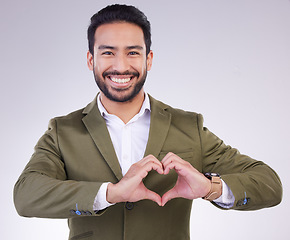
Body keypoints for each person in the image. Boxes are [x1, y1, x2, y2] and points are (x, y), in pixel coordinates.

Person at [14, 4, 282, 240]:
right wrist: (111, 193)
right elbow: (26, 195)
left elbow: (269, 184)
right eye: (108, 53)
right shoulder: (63, 131)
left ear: (148, 59)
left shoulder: (188, 127)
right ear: (90, 60)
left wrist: (210, 187)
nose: (121, 66)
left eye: (132, 52)